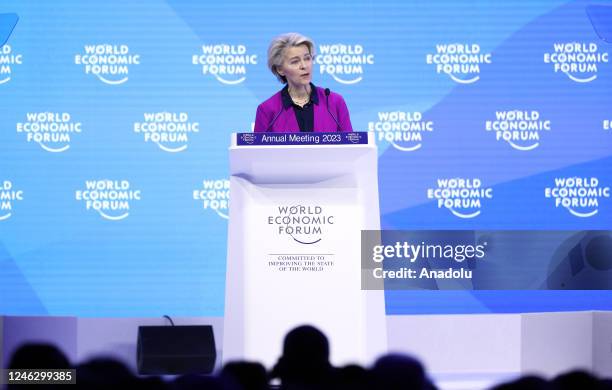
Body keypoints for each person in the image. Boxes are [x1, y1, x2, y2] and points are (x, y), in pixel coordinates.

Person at [254, 33, 353, 133]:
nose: (304, 66)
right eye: (295, 61)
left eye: (307, 58)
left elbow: (351, 145)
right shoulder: (267, 110)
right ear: (280, 69)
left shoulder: (334, 102)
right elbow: (258, 149)